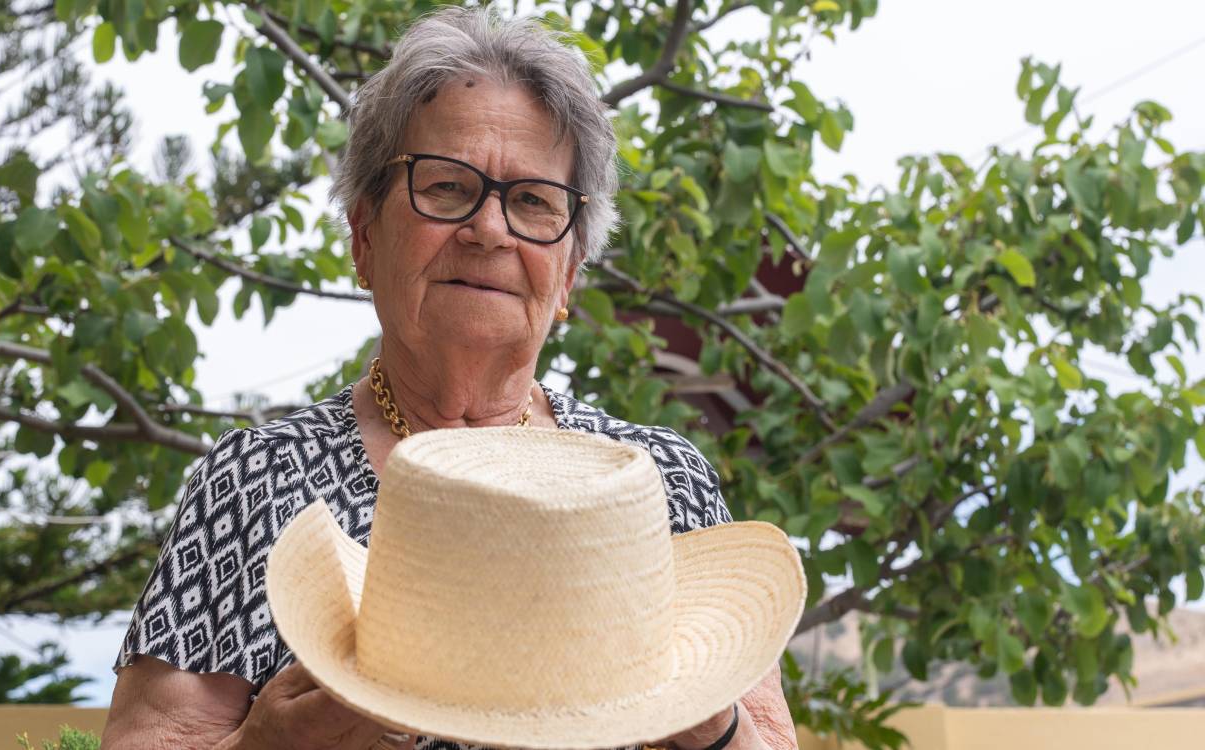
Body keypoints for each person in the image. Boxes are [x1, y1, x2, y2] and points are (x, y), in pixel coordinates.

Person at [101, 7, 798, 750]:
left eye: (532, 200)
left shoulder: (658, 485)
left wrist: (708, 725)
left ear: (569, 274)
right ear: (364, 237)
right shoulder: (256, 482)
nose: (488, 230)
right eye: (444, 186)